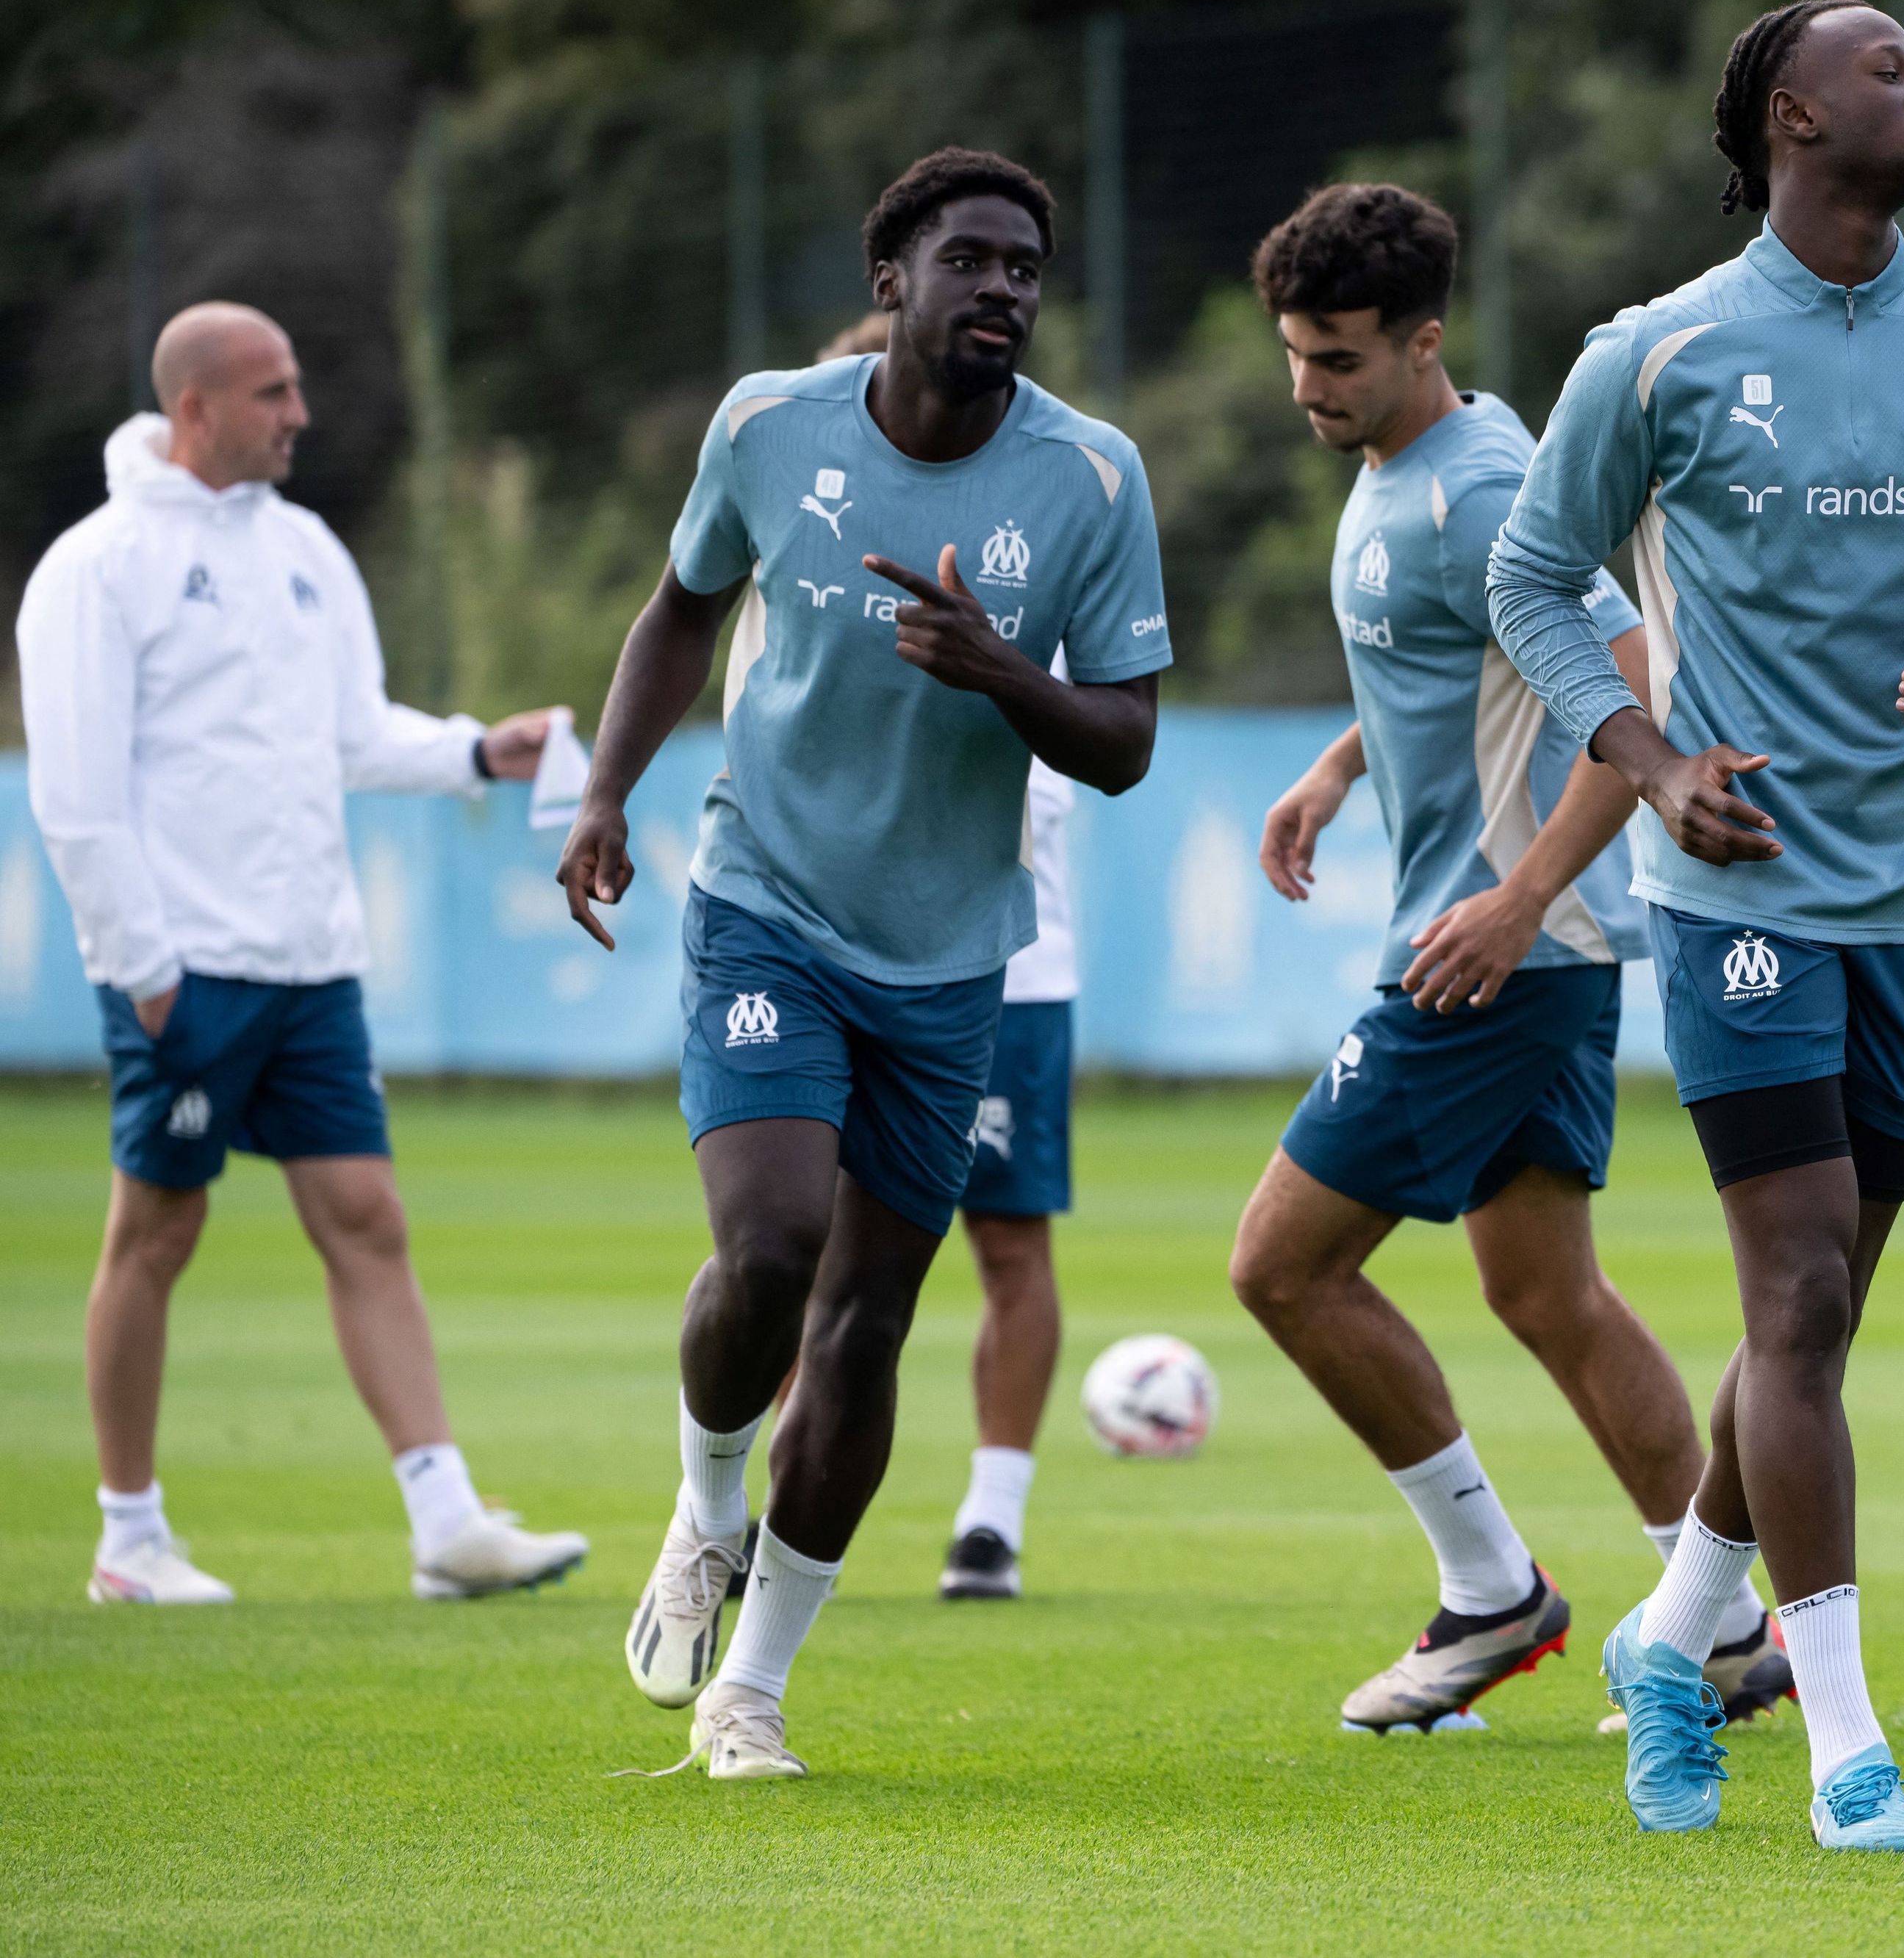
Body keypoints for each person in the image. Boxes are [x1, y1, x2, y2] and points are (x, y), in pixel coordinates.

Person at [1487, 0, 1904, 1853]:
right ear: (1789, 113)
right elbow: (1532, 577)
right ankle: (1845, 1750)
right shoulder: (1656, 355)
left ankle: (1672, 1641)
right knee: (1805, 1297)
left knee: (1804, 1326)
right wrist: (1652, 765)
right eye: (1893, 68)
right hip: (1738, 894)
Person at [559, 148, 1169, 1781]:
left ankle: (748, 1688)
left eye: (1027, 268)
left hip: (948, 958)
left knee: (867, 1326)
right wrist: (609, 788)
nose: (1005, 290)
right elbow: (680, 609)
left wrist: (999, 672)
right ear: (892, 281)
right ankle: (705, 1513)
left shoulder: (1094, 480)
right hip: (767, 897)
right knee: (771, 1245)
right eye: (970, 260)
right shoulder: (769, 424)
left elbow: (1122, 744)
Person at [1233, 182, 1792, 1734]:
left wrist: (1517, 894)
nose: (1306, 387)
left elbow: (1627, 690)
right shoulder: (1405, 463)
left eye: (1337, 358)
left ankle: (1491, 1587)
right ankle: (1734, 1629)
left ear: (1424, 342)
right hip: (1526, 944)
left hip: (1497, 950)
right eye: (1293, 353)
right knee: (1550, 1293)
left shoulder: (1481, 481)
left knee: (1279, 1263)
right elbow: (1473, 653)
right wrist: (1345, 764)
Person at [18, 301, 592, 1608]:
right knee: (157, 1230)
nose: (301, 414)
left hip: (309, 960)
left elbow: (346, 732)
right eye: (273, 393)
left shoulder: (309, 551)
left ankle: (447, 1522)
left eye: (297, 386)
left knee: (368, 1219)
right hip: (184, 969)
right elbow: (79, 797)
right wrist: (144, 970)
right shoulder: (95, 568)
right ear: (197, 410)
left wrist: (470, 752)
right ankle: (130, 1538)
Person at [796, 309, 1087, 1608]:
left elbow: (1084, 746)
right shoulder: (808, 556)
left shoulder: (1038, 537)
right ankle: (771, 1499)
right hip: (824, 954)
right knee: (800, 1247)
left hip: (1006, 964)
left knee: (1008, 1250)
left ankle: (993, 1518)